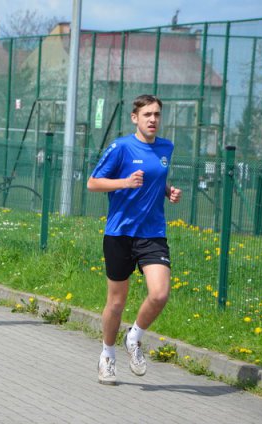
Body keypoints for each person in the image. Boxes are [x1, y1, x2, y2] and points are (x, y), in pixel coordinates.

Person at [87, 94, 182, 385]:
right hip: (119, 234)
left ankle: (134, 337)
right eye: (147, 115)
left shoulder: (166, 147)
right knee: (116, 303)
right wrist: (125, 182)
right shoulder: (121, 147)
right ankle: (107, 355)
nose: (153, 120)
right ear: (135, 118)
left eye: (157, 115)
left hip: (152, 233)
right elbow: (93, 183)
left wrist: (167, 190)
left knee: (159, 294)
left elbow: (155, 176)